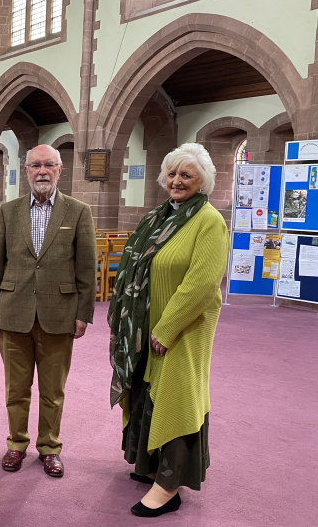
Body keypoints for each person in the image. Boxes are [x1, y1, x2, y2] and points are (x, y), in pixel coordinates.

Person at [108, 142, 229, 518]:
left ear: (203, 181)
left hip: (183, 329)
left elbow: (202, 283)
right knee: (146, 391)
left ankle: (169, 486)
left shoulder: (208, 220)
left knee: (175, 398)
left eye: (186, 175)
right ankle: (150, 464)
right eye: (172, 174)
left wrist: (167, 327)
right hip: (146, 325)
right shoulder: (157, 217)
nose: (177, 181)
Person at [0, 144, 97, 478]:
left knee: (53, 391)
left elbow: (87, 270)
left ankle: (49, 447)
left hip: (59, 314)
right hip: (13, 312)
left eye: (49, 165)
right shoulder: (8, 211)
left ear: (60, 170)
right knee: (15, 389)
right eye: (35, 166)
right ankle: (16, 444)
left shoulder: (78, 212)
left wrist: (83, 314)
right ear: (27, 171)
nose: (42, 171)